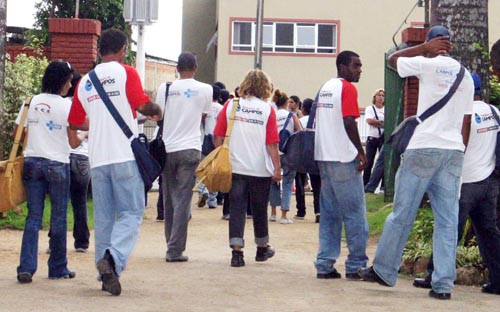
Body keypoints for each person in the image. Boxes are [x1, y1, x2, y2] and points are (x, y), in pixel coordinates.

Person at [357, 26, 474, 301]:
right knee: (447, 221)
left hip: (423, 147)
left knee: (402, 213)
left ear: (432, 43)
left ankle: (385, 270)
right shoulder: (465, 75)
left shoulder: (427, 64)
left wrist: (423, 49)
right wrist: (459, 152)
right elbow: (466, 121)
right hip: (453, 151)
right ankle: (443, 285)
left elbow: (393, 60)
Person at [68, 29, 162, 296]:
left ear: (99, 50)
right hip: (123, 155)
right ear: (122, 50)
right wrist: (157, 112)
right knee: (132, 211)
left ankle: (104, 274)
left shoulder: (85, 82)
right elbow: (143, 107)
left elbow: (75, 121)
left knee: (105, 218)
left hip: (97, 158)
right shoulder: (127, 72)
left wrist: (98, 122)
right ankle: (112, 259)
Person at [412, 73, 500, 296]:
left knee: (449, 230)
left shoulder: (460, 115)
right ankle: (498, 280)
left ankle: (435, 276)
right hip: (488, 183)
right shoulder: (494, 113)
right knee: (489, 232)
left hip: (463, 184)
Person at [16, 60, 81, 284]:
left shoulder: (31, 102)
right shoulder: (67, 106)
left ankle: (26, 267)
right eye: (70, 80)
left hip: (32, 161)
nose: (71, 84)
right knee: (59, 217)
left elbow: (19, 131)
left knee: (33, 216)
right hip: (58, 164)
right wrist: (85, 136)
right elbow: (73, 142)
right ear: (63, 81)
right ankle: (57, 267)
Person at [213, 69, 281, 267]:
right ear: (265, 88)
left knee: (237, 208)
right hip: (260, 168)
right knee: (260, 209)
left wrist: (222, 154)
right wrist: (277, 168)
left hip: (235, 166)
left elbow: (217, 136)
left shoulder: (231, 105)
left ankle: (237, 253)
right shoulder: (267, 109)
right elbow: (272, 143)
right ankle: (262, 248)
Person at [313, 50, 369, 280]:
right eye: (355, 65)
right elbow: (348, 121)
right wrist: (360, 150)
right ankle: (356, 264)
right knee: (355, 214)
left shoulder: (325, 87)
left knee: (329, 214)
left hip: (324, 157)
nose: (359, 70)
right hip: (343, 158)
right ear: (343, 66)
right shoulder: (347, 88)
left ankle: (325, 263)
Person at [156, 52, 212, 262]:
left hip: (168, 148)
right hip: (190, 148)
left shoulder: (166, 88)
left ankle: (170, 242)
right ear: (195, 67)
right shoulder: (205, 89)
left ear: (176, 68)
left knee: (169, 197)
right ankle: (175, 249)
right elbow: (203, 115)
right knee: (183, 199)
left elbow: (159, 115)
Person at [65, 72, 91, 253]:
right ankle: (81, 241)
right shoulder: (87, 105)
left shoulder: (64, 104)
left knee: (60, 201)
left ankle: (55, 239)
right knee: (80, 201)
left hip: (64, 155)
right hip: (82, 157)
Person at [268, 89, 302, 224]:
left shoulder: (272, 115)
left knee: (273, 182)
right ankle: (284, 215)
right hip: (289, 153)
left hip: (274, 152)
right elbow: (300, 132)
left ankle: (273, 212)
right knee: (288, 183)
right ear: (287, 103)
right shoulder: (291, 116)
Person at [197, 85, 223, 208]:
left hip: (204, 139)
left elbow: (200, 121)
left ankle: (202, 190)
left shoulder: (204, 108)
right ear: (219, 96)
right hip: (218, 140)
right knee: (215, 170)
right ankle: (212, 199)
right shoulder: (221, 108)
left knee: (202, 167)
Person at [298, 98, 321, 223]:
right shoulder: (321, 121)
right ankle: (322, 210)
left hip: (308, 155)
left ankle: (317, 211)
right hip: (322, 154)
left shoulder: (302, 121)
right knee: (323, 185)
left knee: (315, 184)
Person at [363, 89, 385, 186]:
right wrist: (382, 123)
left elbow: (388, 123)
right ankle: (365, 184)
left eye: (382, 95)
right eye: (378, 95)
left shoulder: (386, 109)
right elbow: (369, 121)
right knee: (369, 162)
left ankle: (383, 186)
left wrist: (377, 122)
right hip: (372, 138)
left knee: (383, 162)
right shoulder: (370, 109)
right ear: (374, 97)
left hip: (382, 138)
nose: (381, 97)